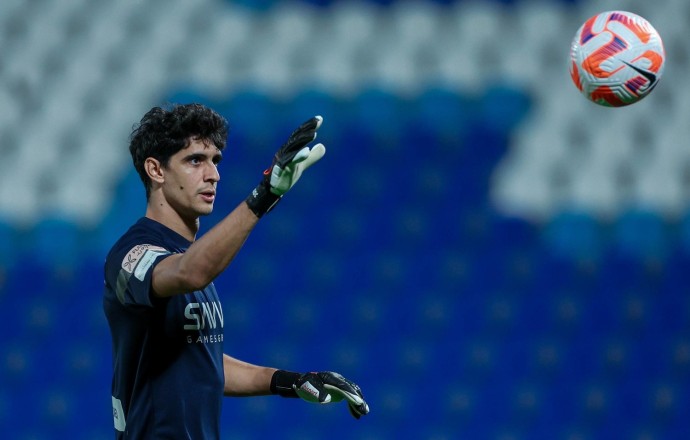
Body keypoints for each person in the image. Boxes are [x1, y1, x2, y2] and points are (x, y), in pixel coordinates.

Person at [103, 103, 369, 439]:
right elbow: (189, 273)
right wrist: (265, 195)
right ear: (156, 170)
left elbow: (203, 363)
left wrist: (291, 382)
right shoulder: (132, 254)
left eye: (215, 161)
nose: (213, 174)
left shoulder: (189, 254)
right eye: (195, 160)